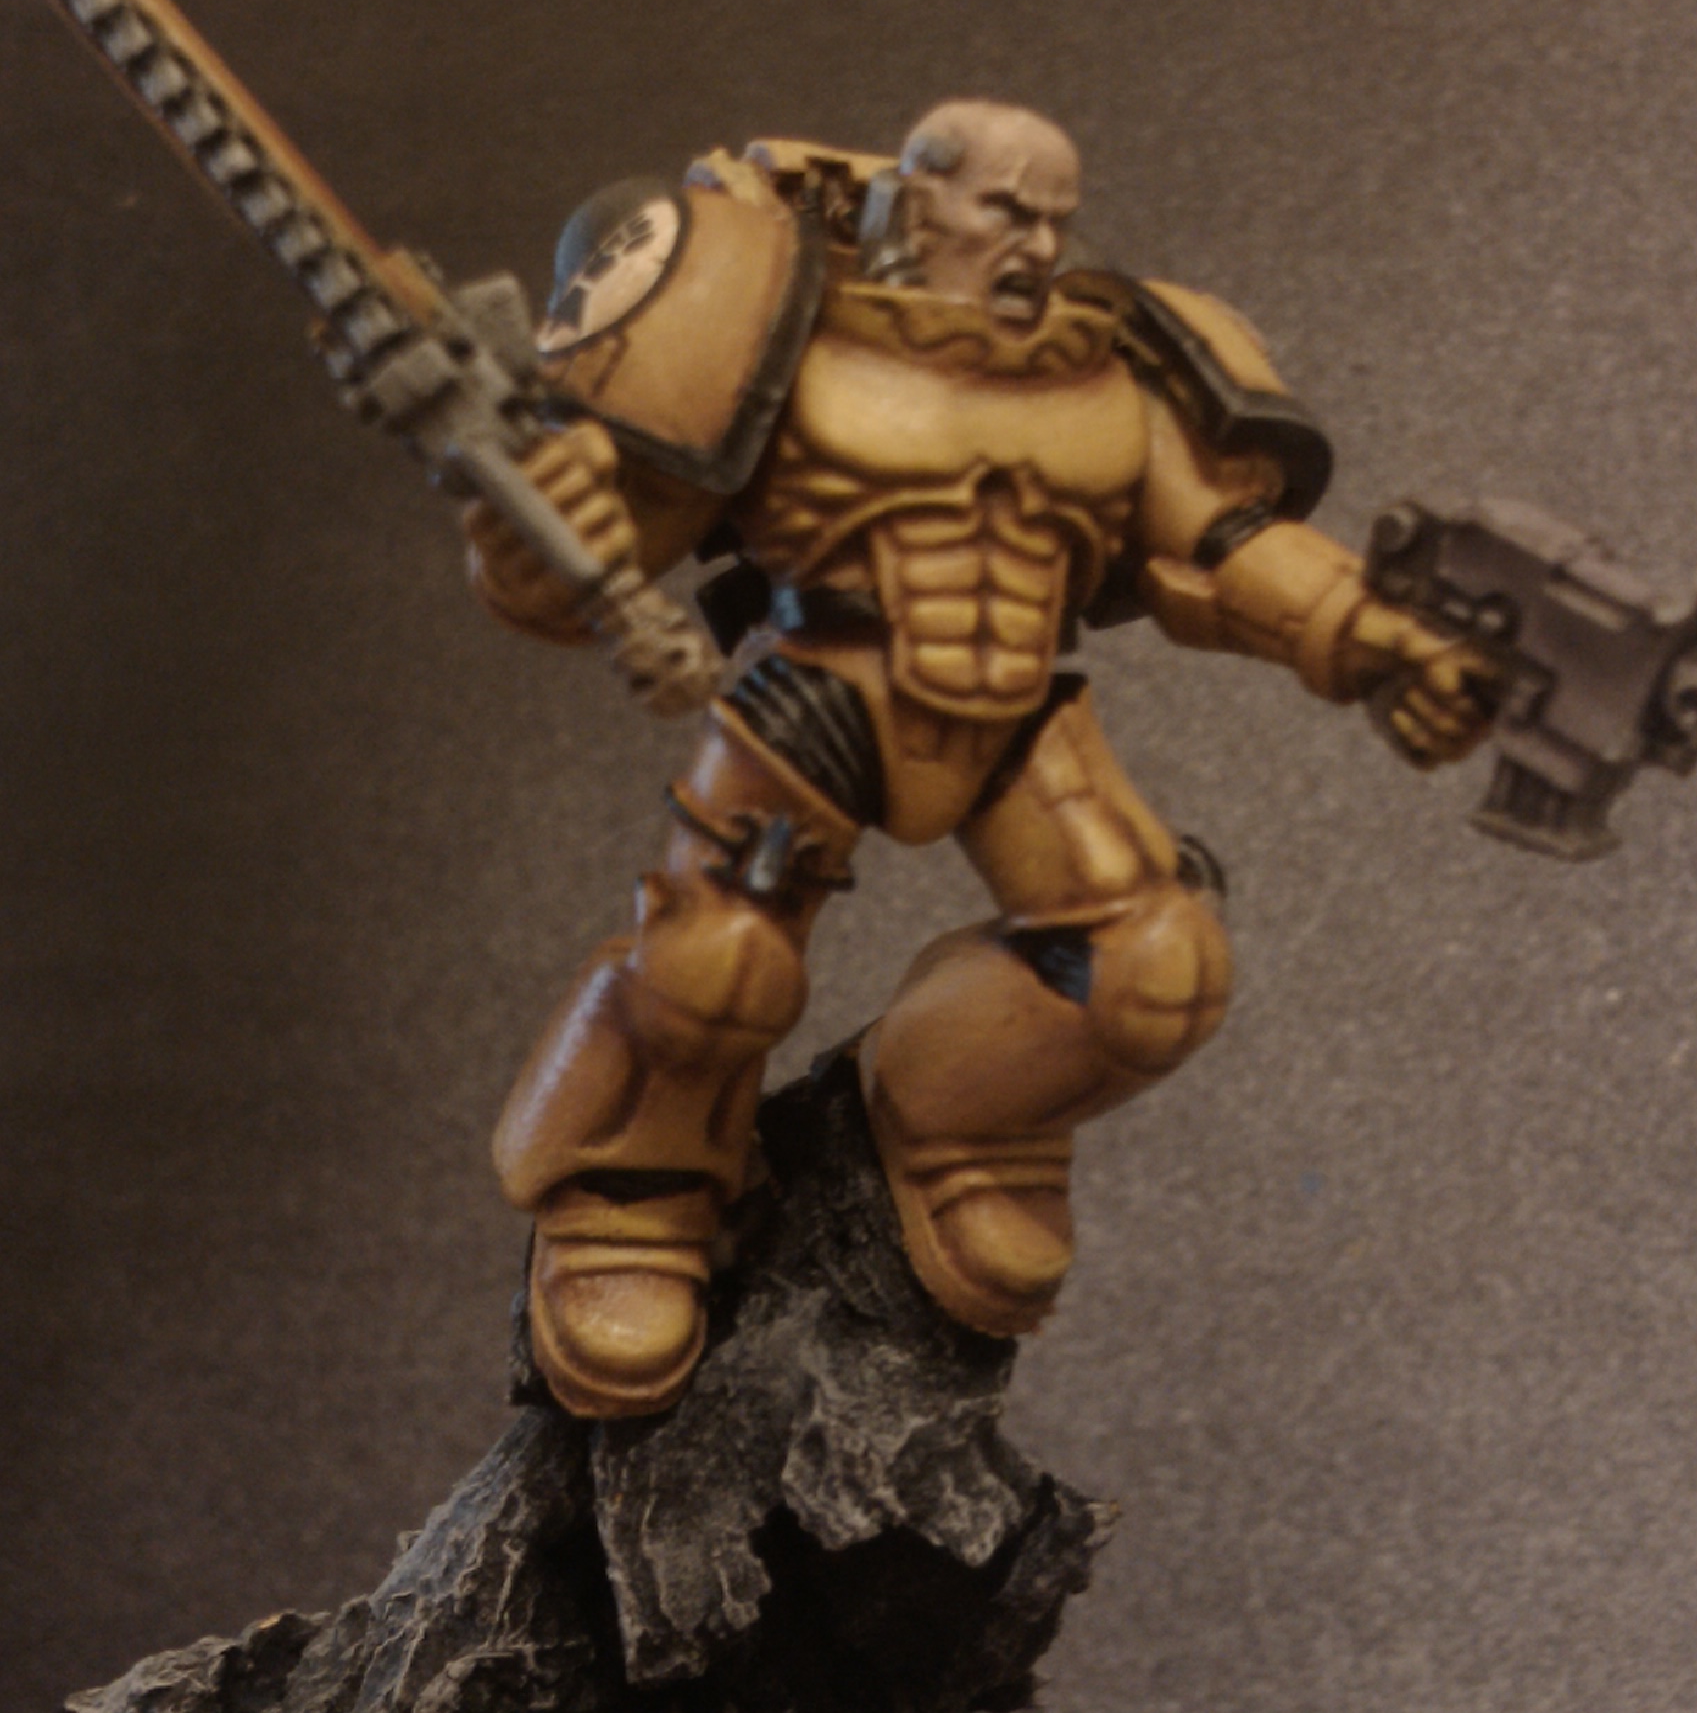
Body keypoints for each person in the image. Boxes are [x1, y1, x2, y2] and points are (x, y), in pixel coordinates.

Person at [467, 101, 1492, 1418]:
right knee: (715, 969)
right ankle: (631, 1189)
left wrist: (1376, 636)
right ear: (917, 200)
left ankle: (962, 1117)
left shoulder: (1113, 367)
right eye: (1007, 210)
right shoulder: (776, 333)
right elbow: (601, 551)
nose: (1037, 243)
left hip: (1019, 713)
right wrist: (529, 526)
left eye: (1056, 218)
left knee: (1155, 968)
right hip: (819, 695)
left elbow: (1224, 554)